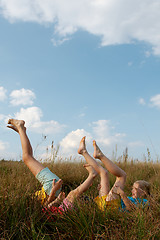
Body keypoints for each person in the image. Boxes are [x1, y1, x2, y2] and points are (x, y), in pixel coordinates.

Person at [7, 119, 97, 215]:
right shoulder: (34, 208)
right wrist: (54, 192)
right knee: (27, 157)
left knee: (28, 157)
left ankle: (22, 131)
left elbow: (46, 207)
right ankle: (21, 129)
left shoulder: (33, 208)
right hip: (50, 186)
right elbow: (47, 206)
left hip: (51, 187)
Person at [78, 136, 150, 211]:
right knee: (103, 173)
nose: (132, 190)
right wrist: (101, 190)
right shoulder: (131, 198)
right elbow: (115, 197)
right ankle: (83, 152)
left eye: (135, 189)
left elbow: (131, 209)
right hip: (107, 205)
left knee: (122, 176)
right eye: (133, 188)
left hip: (112, 208)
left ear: (144, 192)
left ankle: (100, 155)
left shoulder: (145, 202)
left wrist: (122, 194)